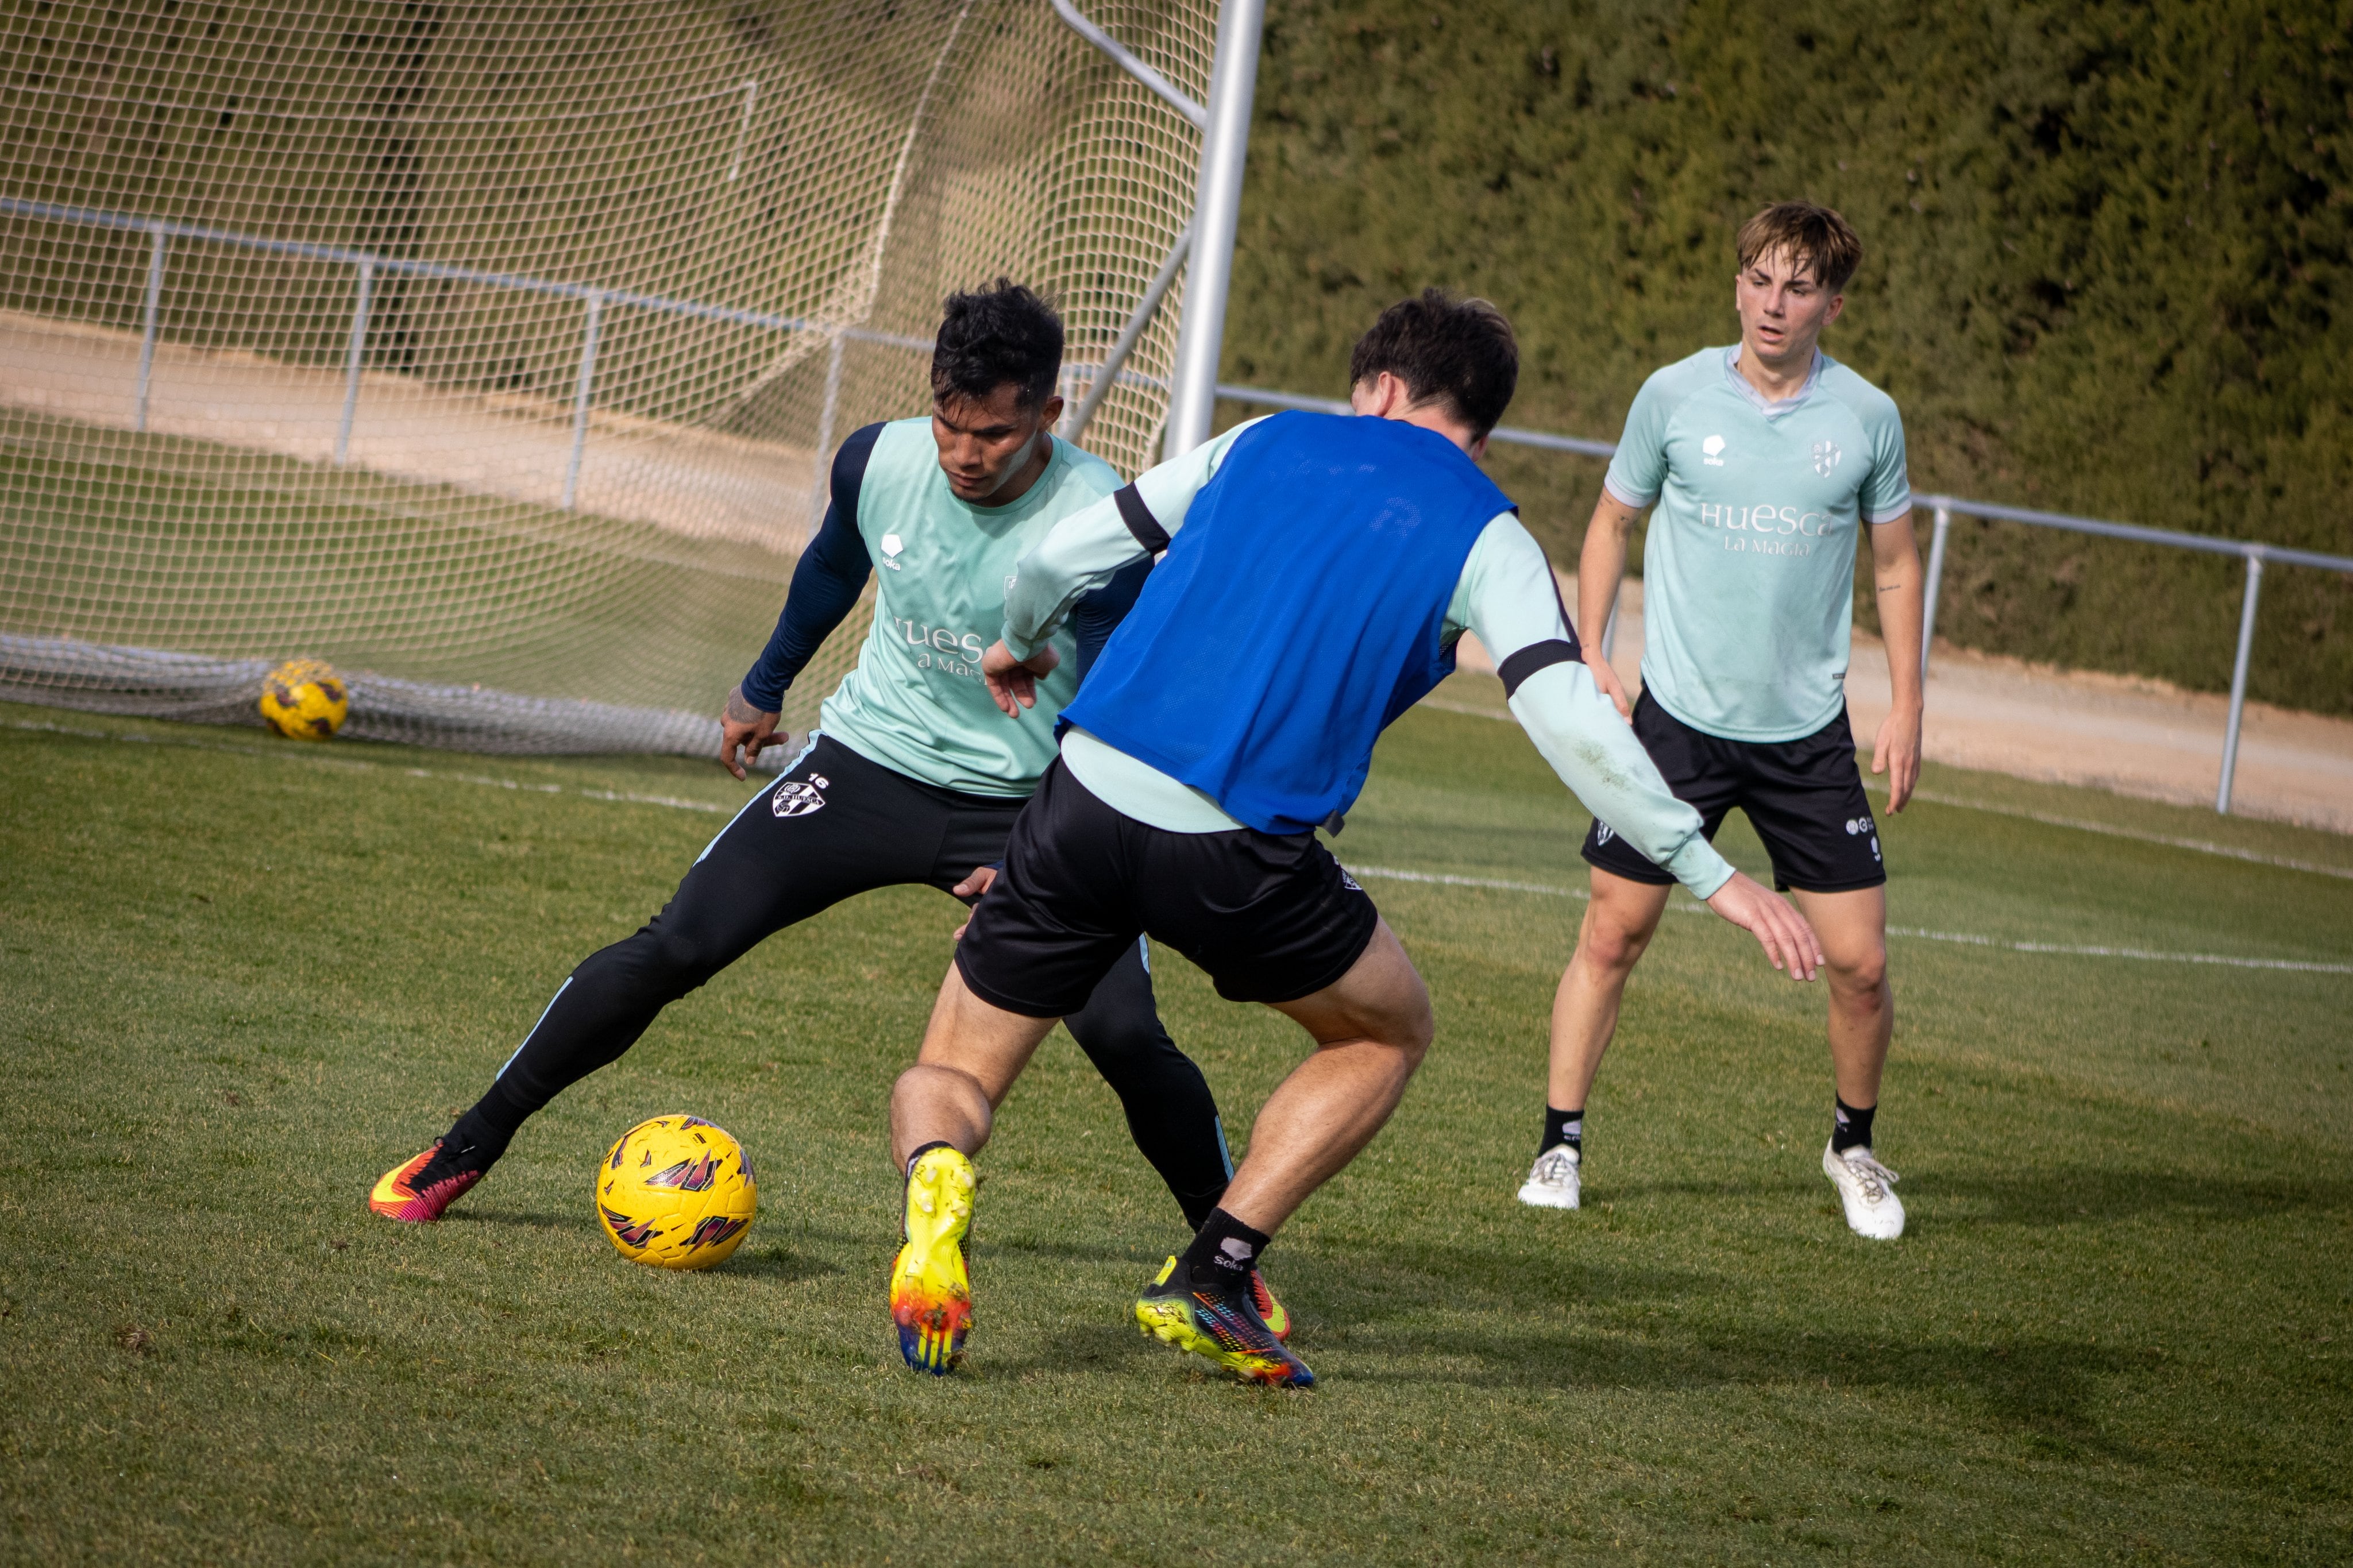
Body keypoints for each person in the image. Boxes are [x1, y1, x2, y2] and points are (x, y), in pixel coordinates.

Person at [883, 290, 1825, 1386]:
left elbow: (1058, 558)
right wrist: (1709, 870)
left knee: (953, 1066)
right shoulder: (1491, 533)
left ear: (1379, 387)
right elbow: (1569, 714)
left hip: (1084, 795)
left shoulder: (1263, 439)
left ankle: (942, 1183)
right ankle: (1217, 1271)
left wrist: (1015, 643)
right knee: (1388, 1029)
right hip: (1237, 850)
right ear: (1480, 418)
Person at [369, 283, 1278, 1327]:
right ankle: (466, 1147)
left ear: (1050, 415)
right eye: (950, 421)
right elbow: (833, 565)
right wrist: (766, 682)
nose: (965, 452)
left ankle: (1224, 1259)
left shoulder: (1105, 520)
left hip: (1034, 807)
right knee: (674, 945)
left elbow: (1121, 705)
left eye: (995, 431)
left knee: (1123, 1035)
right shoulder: (877, 460)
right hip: (863, 768)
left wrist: (1039, 848)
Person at [1515, 202, 1923, 1241]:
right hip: (1676, 725)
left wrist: (1910, 702)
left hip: (1807, 736)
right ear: (1737, 282)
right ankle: (1559, 1143)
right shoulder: (1673, 394)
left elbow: (1895, 562)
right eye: (1757, 278)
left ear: (1832, 301)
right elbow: (1613, 520)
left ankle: (1853, 1145)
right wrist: (1591, 651)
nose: (1771, 303)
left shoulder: (1867, 417)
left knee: (1863, 963)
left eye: (1796, 287)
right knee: (1613, 931)